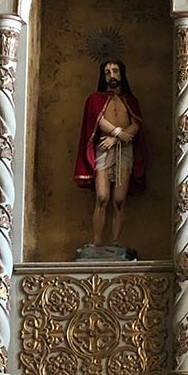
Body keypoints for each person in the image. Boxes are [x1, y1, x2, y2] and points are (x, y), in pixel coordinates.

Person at [73, 60, 148, 247]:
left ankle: (115, 242)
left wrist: (116, 137)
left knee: (119, 200)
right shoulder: (95, 99)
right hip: (103, 149)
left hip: (124, 149)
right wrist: (116, 133)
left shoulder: (130, 100)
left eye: (115, 71)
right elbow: (98, 121)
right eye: (107, 72)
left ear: (122, 74)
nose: (111, 76)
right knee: (102, 197)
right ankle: (97, 241)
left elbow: (136, 124)